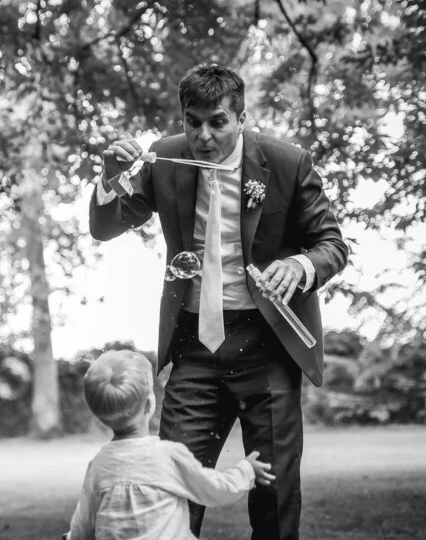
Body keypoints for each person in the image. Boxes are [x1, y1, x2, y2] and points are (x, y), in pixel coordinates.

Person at [89, 64, 348, 540]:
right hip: (193, 349)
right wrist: (109, 179)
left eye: (218, 122)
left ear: (242, 117)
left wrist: (300, 266)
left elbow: (332, 245)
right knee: (171, 487)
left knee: (274, 492)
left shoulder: (287, 162)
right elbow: (106, 228)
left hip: (268, 345)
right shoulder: (163, 158)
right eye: (193, 122)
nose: (204, 136)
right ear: (182, 118)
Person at [65, 350, 275, 540]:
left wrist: (73, 536)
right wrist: (247, 470)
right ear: (149, 404)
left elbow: (84, 522)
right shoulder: (168, 456)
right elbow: (214, 489)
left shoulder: (99, 465)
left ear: (100, 417)